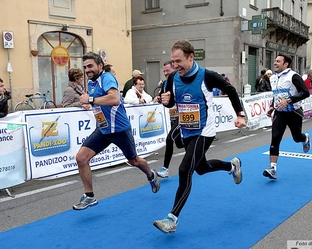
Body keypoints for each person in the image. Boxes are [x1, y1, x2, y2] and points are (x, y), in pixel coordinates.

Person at [153, 39, 246, 234]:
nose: (175, 65)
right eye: (172, 61)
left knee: (185, 169)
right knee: (201, 168)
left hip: (204, 130)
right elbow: (170, 103)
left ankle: (172, 219)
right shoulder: (172, 78)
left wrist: (240, 114)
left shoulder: (207, 76)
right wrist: (166, 102)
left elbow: (230, 90)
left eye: (178, 61)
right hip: (187, 129)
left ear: (191, 57)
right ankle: (232, 166)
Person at [72, 52, 159, 210]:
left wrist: (91, 100)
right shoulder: (91, 83)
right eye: (84, 67)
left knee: (134, 161)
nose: (87, 70)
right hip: (104, 130)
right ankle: (90, 196)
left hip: (119, 129)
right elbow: (99, 102)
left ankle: (151, 175)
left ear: (100, 66)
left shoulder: (107, 78)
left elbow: (114, 99)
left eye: (90, 66)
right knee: (81, 158)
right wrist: (89, 104)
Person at [263, 53, 311, 180]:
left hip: (294, 112)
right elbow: (276, 95)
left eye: (278, 61)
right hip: (280, 113)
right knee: (275, 138)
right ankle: (272, 169)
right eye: (275, 61)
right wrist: (272, 107)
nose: (275, 63)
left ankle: (305, 138)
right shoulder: (273, 78)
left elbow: (305, 93)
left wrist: (289, 100)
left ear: (286, 64)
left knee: (296, 137)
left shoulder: (293, 76)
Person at [156, 60, 181, 179]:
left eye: (168, 71)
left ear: (175, 70)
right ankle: (198, 153)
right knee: (180, 144)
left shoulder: (180, 81)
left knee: (169, 139)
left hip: (182, 116)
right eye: (164, 71)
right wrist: (159, 99)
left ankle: (165, 169)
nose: (166, 73)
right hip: (171, 117)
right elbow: (162, 96)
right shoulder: (165, 83)